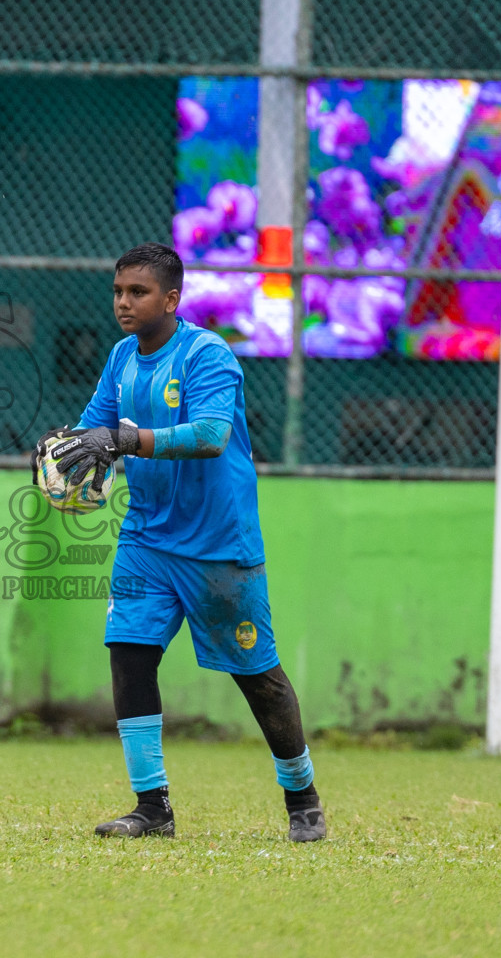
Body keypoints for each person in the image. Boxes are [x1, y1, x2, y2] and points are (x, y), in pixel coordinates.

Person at [32, 241, 326, 843]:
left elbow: (212, 434)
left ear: (172, 298)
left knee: (256, 675)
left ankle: (303, 797)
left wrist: (124, 440)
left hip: (219, 543)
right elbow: (98, 427)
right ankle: (152, 808)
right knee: (129, 654)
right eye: (118, 291)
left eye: (137, 292)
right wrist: (70, 457)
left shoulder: (207, 354)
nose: (124, 303)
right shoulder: (120, 357)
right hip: (146, 536)